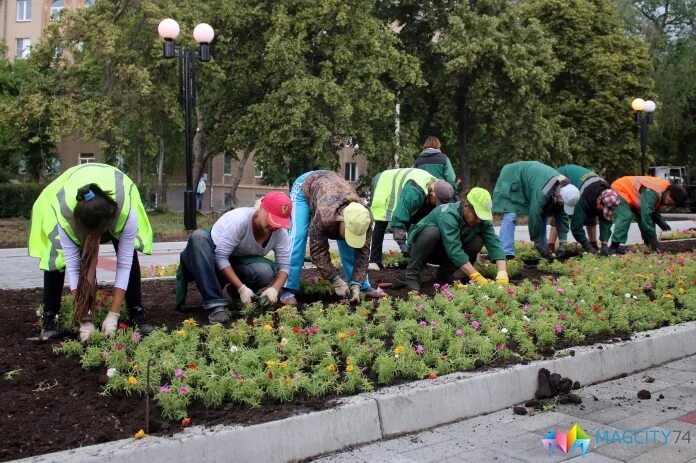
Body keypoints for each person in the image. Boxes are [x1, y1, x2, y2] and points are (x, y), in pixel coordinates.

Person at [28, 163, 154, 342]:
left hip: (115, 201)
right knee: (56, 259)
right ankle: (50, 318)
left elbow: (125, 263)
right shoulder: (65, 214)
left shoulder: (126, 211)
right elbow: (73, 266)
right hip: (63, 195)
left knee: (129, 254)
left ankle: (137, 314)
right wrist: (84, 318)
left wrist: (114, 314)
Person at [175, 192, 292, 324]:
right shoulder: (240, 220)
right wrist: (242, 287)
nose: (274, 227)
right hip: (207, 261)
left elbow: (284, 266)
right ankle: (215, 305)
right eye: (272, 220)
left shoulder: (280, 233)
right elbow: (221, 257)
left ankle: (237, 296)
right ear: (262, 209)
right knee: (198, 238)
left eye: (279, 223)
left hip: (234, 262)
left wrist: (274, 290)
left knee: (264, 271)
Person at [279, 170, 386, 306]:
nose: (350, 238)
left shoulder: (364, 218)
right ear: (341, 221)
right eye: (348, 232)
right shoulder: (325, 216)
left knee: (350, 245)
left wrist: (356, 283)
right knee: (298, 236)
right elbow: (318, 251)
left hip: (333, 185)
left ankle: (361, 286)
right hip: (306, 185)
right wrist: (334, 279)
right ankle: (287, 287)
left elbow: (363, 253)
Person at [403, 188, 509, 291]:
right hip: (426, 249)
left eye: (481, 217)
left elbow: (494, 243)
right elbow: (454, 249)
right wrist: (476, 277)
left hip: (446, 251)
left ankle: (444, 273)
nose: (478, 220)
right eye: (476, 216)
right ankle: (411, 275)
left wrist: (502, 273)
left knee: (477, 241)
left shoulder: (481, 220)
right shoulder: (449, 214)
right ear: (466, 206)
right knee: (431, 232)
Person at [492, 161, 580, 260]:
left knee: (544, 213)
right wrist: (536, 242)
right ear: (559, 195)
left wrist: (563, 243)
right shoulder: (543, 191)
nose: (563, 205)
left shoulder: (565, 188)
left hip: (531, 179)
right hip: (514, 176)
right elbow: (534, 215)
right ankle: (505, 252)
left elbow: (562, 216)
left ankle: (543, 251)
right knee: (510, 212)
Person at [369, 168, 454, 268]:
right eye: (436, 201)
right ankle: (374, 261)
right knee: (381, 221)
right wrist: (403, 246)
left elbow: (419, 223)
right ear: (432, 193)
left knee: (416, 219)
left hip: (407, 187)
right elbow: (399, 217)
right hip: (384, 184)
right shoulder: (415, 192)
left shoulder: (439, 187)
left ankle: (419, 258)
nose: (436, 204)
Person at [546, 165, 621, 255]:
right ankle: (551, 247)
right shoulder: (583, 199)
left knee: (592, 214)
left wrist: (604, 244)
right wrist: (586, 246)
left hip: (584, 186)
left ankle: (594, 246)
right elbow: (576, 228)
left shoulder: (608, 195)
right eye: (603, 207)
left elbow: (606, 221)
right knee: (560, 212)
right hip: (563, 176)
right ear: (599, 199)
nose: (603, 209)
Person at [607, 176, 688, 254]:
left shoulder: (664, 191)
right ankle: (613, 247)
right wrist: (653, 237)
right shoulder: (653, 192)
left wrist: (659, 220)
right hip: (621, 189)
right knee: (626, 216)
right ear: (669, 193)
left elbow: (651, 210)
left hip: (631, 194)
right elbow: (646, 215)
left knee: (644, 217)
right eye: (672, 202)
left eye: (673, 205)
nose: (671, 205)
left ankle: (648, 245)